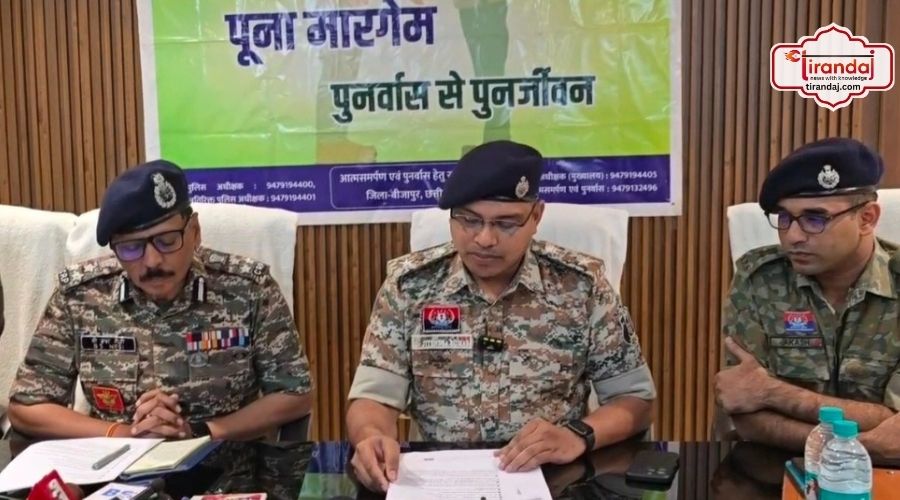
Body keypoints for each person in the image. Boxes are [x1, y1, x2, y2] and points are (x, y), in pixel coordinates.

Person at [346, 140, 656, 491]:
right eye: (468, 220)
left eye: (505, 223)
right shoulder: (410, 286)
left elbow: (635, 400)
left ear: (536, 216)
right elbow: (374, 397)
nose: (484, 238)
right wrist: (371, 436)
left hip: (551, 481)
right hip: (440, 482)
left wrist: (578, 435)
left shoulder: (581, 286)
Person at [8, 160, 312, 440]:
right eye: (131, 248)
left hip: (226, 463)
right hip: (112, 465)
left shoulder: (248, 289)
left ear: (195, 232)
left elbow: (295, 393)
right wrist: (122, 433)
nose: (152, 261)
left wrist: (202, 432)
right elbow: (27, 406)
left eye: (167, 241)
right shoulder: (81, 297)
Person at [715, 137, 900, 458]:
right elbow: (744, 409)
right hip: (776, 464)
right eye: (784, 218)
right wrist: (860, 445)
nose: (793, 236)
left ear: (867, 218)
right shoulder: (759, 279)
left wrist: (771, 392)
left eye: (815, 219)